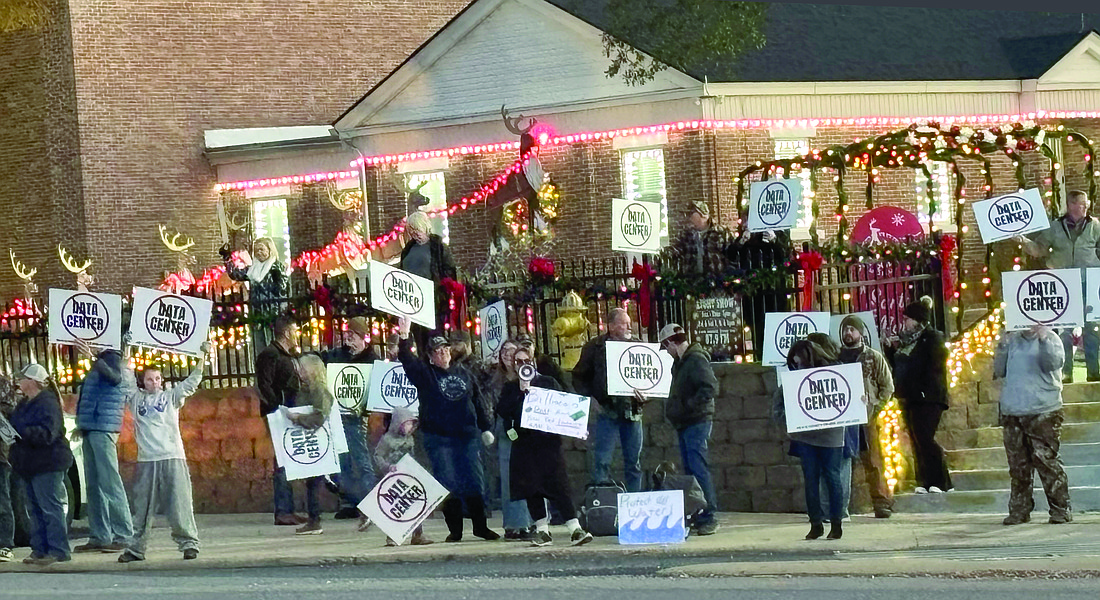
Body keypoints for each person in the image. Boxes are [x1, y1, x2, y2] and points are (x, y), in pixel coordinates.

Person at [396, 318, 499, 542]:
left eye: (445, 349)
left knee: (474, 480)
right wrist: (404, 337)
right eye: (437, 351)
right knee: (448, 482)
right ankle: (455, 530)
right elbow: (408, 362)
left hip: (467, 436)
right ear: (430, 356)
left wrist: (485, 427)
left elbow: (478, 401)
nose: (442, 353)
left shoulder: (465, 374)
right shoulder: (425, 375)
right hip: (439, 438)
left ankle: (480, 526)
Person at [117, 342, 211, 562]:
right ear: (143, 381)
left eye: (158, 378)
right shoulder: (136, 398)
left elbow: (191, 383)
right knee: (142, 507)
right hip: (147, 459)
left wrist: (202, 357)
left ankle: (189, 544)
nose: (155, 383)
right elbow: (126, 375)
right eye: (150, 379)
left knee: (180, 503)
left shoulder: (171, 397)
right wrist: (127, 351)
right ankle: (136, 548)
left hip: (172, 456)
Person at [496, 347, 593, 547]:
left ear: (533, 362)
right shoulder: (510, 388)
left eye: (527, 360)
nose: (523, 365)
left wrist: (577, 426)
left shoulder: (547, 382)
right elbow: (504, 411)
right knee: (532, 488)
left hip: (548, 443)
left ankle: (575, 529)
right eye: (519, 361)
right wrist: (521, 392)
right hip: (524, 445)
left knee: (559, 485)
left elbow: (564, 406)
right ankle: (542, 531)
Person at [1018, 190, 1100, 382]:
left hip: (1089, 282)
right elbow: (1039, 249)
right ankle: (1066, 372)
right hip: (1063, 283)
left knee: (1092, 328)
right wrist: (1023, 241)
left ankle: (1094, 371)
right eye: (1079, 204)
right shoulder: (1055, 227)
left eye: (1085, 204)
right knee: (1064, 330)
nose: (1083, 208)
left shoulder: (1095, 226)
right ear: (1070, 205)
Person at [993, 324, 1072, 525]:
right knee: (1018, 466)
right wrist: (1002, 345)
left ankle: (1060, 509)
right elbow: (999, 370)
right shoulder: (1012, 341)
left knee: (1047, 463)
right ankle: (1019, 511)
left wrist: (1044, 338)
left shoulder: (1051, 338)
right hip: (1013, 411)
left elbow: (1053, 364)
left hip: (1043, 410)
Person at [773, 339, 847, 540]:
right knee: (815, 480)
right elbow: (778, 403)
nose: (797, 365)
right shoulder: (798, 377)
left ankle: (833, 524)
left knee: (828, 478)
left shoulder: (835, 371)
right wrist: (786, 421)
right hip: (810, 435)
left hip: (827, 435)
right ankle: (819, 524)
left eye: (798, 361)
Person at [573, 308, 646, 492]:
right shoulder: (594, 347)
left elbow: (647, 378)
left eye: (629, 323)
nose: (629, 326)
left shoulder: (638, 345)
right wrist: (590, 398)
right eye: (623, 323)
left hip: (632, 410)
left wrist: (646, 395)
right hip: (606, 410)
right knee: (602, 460)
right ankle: (602, 499)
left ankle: (634, 500)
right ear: (611, 326)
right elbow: (579, 376)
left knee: (634, 461)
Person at [885, 296, 953, 494]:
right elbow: (901, 366)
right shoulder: (906, 342)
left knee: (925, 437)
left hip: (929, 397)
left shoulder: (933, 338)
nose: (904, 322)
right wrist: (890, 351)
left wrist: (922, 388)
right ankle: (923, 481)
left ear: (918, 321)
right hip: (910, 397)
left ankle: (941, 482)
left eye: (908, 319)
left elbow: (932, 366)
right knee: (916, 440)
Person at [71, 339, 133, 553]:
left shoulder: (112, 358)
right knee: (94, 485)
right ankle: (100, 535)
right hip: (92, 426)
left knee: (109, 482)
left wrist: (92, 357)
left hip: (103, 427)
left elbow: (115, 379)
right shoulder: (102, 360)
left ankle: (124, 534)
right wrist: (82, 424)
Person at [659, 323, 720, 536]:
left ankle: (709, 514)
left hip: (696, 420)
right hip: (687, 421)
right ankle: (700, 512)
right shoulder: (683, 361)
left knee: (697, 468)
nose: (666, 351)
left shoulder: (695, 360)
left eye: (665, 346)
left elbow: (710, 387)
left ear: (671, 343)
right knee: (691, 468)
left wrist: (688, 406)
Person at [10, 364, 73, 565]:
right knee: (35, 509)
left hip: (48, 462)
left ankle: (58, 550)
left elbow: (47, 434)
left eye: (22, 378)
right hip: (30, 463)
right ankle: (39, 549)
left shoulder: (47, 403)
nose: (19, 381)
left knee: (50, 507)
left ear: (32, 381)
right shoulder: (24, 403)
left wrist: (21, 431)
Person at [319, 317, 378, 526]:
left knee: (361, 460)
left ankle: (371, 503)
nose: (348, 337)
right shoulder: (337, 355)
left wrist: (365, 408)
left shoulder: (372, 359)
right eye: (347, 334)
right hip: (337, 415)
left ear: (363, 337)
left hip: (357, 417)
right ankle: (349, 503)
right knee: (341, 461)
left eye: (353, 334)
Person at [837, 315, 895, 518]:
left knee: (873, 460)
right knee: (843, 462)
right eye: (845, 329)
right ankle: (841, 505)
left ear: (860, 333)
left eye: (852, 329)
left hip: (867, 418)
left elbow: (887, 386)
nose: (848, 333)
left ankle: (881, 502)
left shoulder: (873, 357)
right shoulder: (836, 358)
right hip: (843, 419)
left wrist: (875, 407)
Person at [255, 315, 306, 526]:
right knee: (282, 461)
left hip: (287, 411)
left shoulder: (285, 354)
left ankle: (288, 509)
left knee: (288, 459)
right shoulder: (270, 355)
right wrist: (278, 408)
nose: (297, 335)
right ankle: (283, 511)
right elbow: (263, 386)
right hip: (278, 414)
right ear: (286, 333)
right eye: (295, 331)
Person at [279, 353, 336, 535]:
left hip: (317, 441)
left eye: (303, 368)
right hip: (311, 442)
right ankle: (314, 520)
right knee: (312, 482)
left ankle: (315, 521)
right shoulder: (306, 388)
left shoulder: (319, 390)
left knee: (318, 483)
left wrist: (298, 418)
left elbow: (319, 417)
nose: (299, 371)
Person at [484, 340, 535, 541]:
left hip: (528, 430)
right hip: (505, 429)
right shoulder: (494, 378)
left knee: (531, 476)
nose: (506, 354)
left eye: (511, 351)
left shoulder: (532, 376)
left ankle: (533, 521)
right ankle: (514, 524)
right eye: (503, 350)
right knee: (508, 478)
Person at [374, 407, 433, 546]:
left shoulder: (410, 440)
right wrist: (387, 467)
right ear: (398, 424)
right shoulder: (387, 440)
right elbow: (378, 456)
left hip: (409, 476)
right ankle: (392, 535)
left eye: (411, 424)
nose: (410, 427)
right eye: (407, 424)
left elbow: (412, 456)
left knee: (415, 505)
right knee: (395, 508)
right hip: (393, 479)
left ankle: (418, 534)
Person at [400, 211, 457, 352]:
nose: (415, 233)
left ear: (425, 226)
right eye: (411, 230)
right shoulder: (408, 249)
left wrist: (441, 288)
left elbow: (449, 270)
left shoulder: (437, 246)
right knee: (419, 341)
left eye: (417, 229)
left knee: (434, 340)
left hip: (432, 301)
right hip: (412, 300)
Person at [222, 237, 288, 353]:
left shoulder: (276, 266)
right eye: (256, 250)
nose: (259, 252)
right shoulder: (253, 269)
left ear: (270, 250)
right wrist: (227, 258)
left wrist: (278, 278)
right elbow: (235, 274)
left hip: (272, 314)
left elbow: (282, 288)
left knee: (274, 346)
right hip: (256, 313)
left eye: (262, 249)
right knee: (259, 347)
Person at [660, 200, 736, 278]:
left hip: (717, 280)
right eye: (687, 214)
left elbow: (733, 256)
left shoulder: (721, 233)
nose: (688, 217)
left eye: (691, 214)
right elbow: (676, 250)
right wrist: (662, 252)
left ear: (703, 215)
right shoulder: (687, 234)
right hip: (693, 281)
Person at [0, 374, 18, 563]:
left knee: (2, 500)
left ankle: (5, 544)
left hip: (0, 454)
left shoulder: (2, 383)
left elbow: (10, 410)